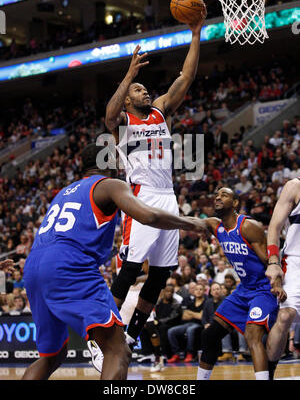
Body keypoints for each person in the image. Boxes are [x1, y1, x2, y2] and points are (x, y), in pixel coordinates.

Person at [21, 143, 204, 380]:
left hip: (34, 265)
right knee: (118, 350)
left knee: (51, 356)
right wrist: (191, 223)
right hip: (69, 263)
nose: (121, 162)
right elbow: (149, 215)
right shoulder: (109, 185)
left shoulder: (63, 192)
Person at [105, 11, 207, 349]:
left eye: (145, 87)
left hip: (167, 194)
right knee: (131, 268)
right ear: (128, 97)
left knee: (161, 273)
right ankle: (100, 335)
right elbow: (108, 114)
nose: (144, 91)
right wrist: (127, 75)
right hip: (141, 195)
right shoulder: (123, 122)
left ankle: (132, 334)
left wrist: (196, 34)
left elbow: (186, 78)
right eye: (138, 89)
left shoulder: (160, 111)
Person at [194, 187, 286, 381]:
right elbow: (193, 223)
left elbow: (270, 259)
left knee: (252, 335)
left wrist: (277, 283)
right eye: (216, 195)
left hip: (264, 288)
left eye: (224, 195)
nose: (218, 197)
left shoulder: (247, 226)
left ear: (235, 203)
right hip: (244, 289)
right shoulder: (214, 226)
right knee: (209, 336)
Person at [265, 177, 300, 379]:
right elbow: (274, 227)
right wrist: (273, 261)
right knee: (285, 316)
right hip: (296, 260)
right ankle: (268, 373)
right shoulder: (294, 186)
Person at [145, 284, 182, 372]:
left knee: (162, 328)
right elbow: (154, 315)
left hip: (172, 324)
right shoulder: (158, 302)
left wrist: (159, 321)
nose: (169, 293)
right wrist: (156, 321)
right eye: (167, 291)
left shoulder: (176, 303)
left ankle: (164, 354)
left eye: (171, 292)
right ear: (163, 292)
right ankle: (148, 353)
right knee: (147, 327)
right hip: (159, 323)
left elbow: (174, 317)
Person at [167, 282, 207, 363]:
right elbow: (184, 316)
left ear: (204, 291)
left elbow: (200, 317)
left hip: (199, 324)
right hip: (187, 323)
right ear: (194, 291)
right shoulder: (190, 302)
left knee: (190, 330)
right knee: (171, 331)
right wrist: (195, 314)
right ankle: (176, 354)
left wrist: (190, 313)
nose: (198, 291)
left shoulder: (206, 302)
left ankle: (190, 353)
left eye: (200, 289)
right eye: (196, 289)